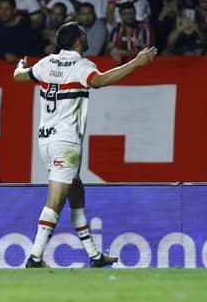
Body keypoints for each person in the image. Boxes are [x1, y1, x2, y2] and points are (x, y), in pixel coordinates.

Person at [13, 22, 157, 268]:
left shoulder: (46, 63)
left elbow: (18, 78)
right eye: (83, 32)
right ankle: (35, 258)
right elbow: (100, 81)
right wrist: (136, 63)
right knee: (55, 203)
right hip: (66, 143)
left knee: (77, 194)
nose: (86, 35)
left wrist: (20, 66)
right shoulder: (82, 67)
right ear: (78, 40)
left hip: (45, 142)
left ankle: (94, 255)